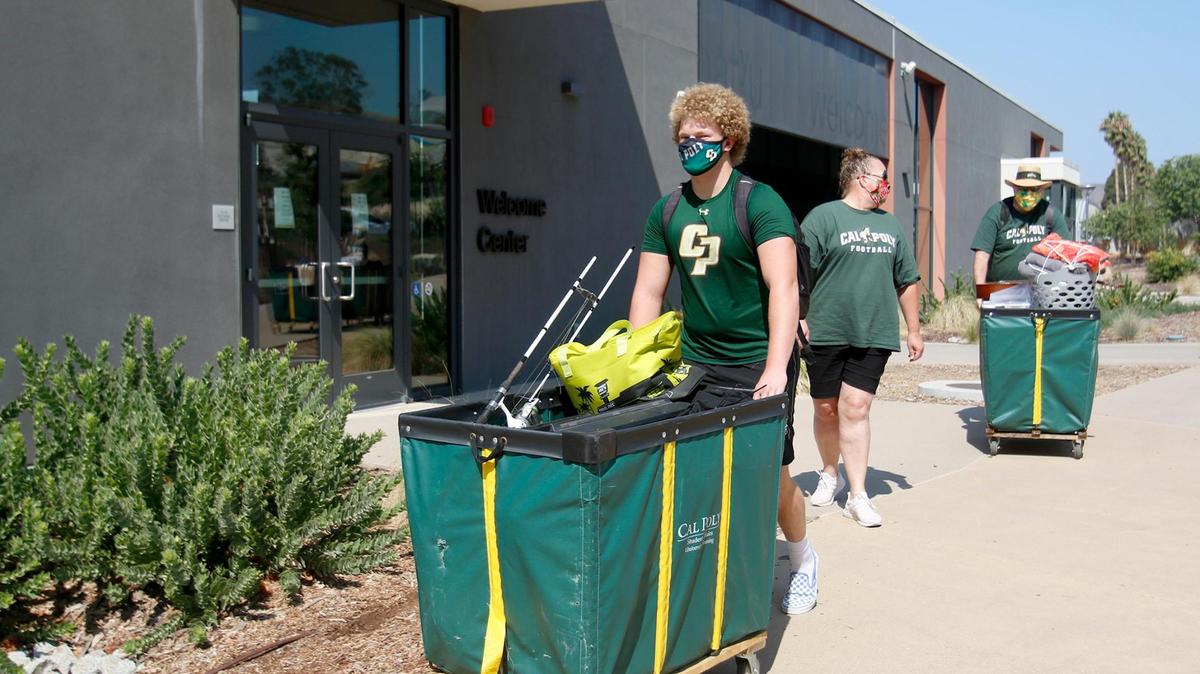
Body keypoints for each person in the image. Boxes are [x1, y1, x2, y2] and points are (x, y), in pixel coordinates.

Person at [628, 83, 819, 614]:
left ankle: (802, 560)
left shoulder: (758, 201)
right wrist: (634, 363)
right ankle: (706, 577)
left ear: (729, 139)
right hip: (695, 364)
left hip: (758, 359)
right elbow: (648, 290)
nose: (690, 144)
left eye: (702, 136)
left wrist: (777, 368)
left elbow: (783, 287)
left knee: (771, 478)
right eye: (683, 137)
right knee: (694, 472)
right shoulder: (667, 211)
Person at [802, 148, 923, 527]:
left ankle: (858, 495)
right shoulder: (823, 218)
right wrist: (798, 317)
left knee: (855, 408)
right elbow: (800, 273)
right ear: (859, 177)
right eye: (881, 175)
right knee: (826, 408)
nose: (886, 183)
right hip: (825, 329)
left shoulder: (891, 226)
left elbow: (907, 279)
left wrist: (914, 330)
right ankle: (828, 472)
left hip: (873, 332)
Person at [971, 165, 1071, 283]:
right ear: (1014, 188)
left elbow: (1067, 254)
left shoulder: (1050, 214)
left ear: (1041, 191)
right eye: (1023, 189)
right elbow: (982, 255)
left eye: (1034, 189)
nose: (1028, 194)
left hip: (1041, 291)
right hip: (1000, 292)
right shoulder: (998, 212)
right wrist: (981, 292)